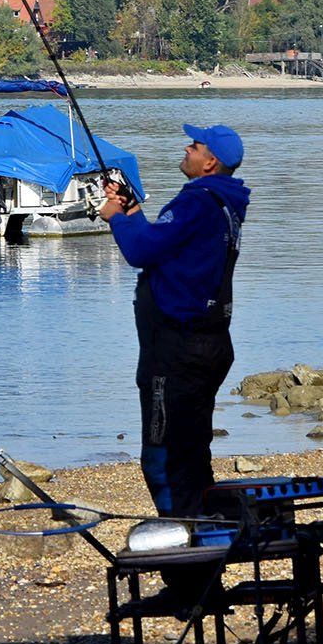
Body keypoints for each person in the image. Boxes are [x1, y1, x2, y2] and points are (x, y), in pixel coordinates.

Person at [100, 123, 251, 581]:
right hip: (206, 343)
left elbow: (143, 251)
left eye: (195, 145)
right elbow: (167, 248)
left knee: (163, 459)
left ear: (211, 162)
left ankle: (186, 574)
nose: (186, 148)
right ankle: (201, 563)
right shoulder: (222, 202)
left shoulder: (196, 201)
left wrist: (116, 218)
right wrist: (134, 210)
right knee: (192, 455)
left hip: (178, 349)